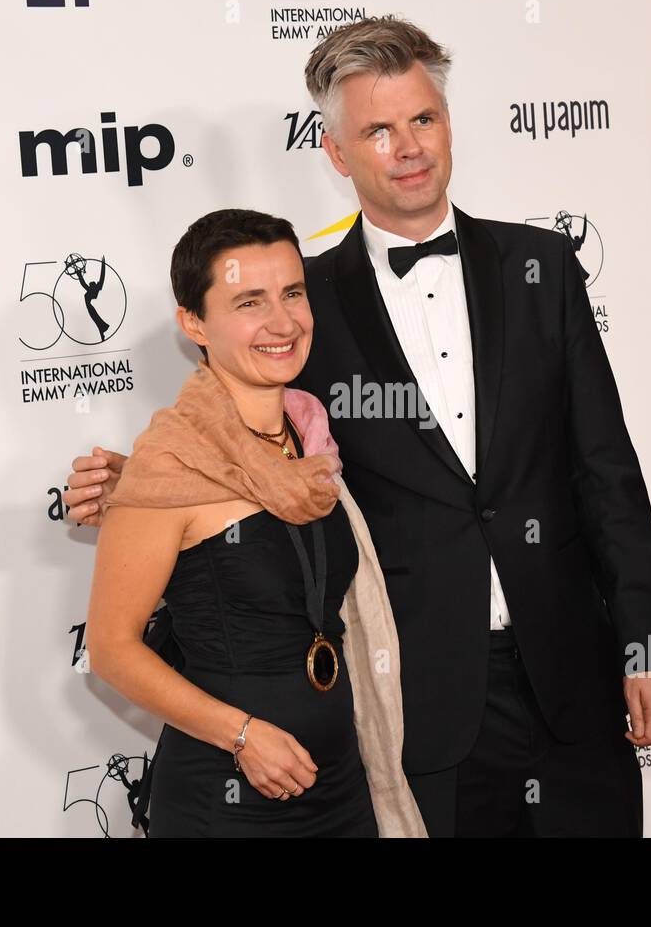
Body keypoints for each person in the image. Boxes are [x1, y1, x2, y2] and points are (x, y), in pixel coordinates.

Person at [69, 16, 651, 837]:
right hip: (420, 708)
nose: (408, 147)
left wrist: (649, 641)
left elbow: (607, 468)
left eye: (422, 120)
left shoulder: (542, 268)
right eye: (379, 130)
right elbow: (239, 441)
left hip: (577, 679)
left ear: (448, 123)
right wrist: (133, 483)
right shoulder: (304, 305)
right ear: (336, 152)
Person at [84, 208, 425, 838]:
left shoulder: (312, 435)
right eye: (249, 302)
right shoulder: (170, 462)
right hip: (230, 796)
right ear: (194, 322)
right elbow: (110, 650)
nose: (282, 322)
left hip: (343, 786)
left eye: (292, 293)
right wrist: (241, 737)